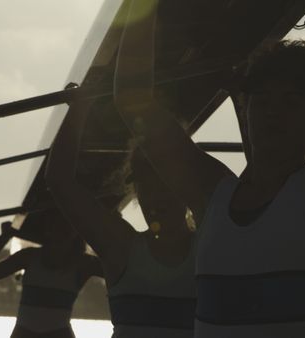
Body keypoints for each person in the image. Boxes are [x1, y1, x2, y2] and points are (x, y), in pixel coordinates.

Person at [113, 0, 305, 337]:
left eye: (290, 102)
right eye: (262, 101)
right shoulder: (213, 195)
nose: (272, 113)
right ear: (246, 115)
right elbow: (131, 98)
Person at [44, 99, 197, 338]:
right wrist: (79, 107)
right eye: (145, 184)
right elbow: (59, 181)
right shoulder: (122, 247)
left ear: (186, 182)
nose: (155, 194)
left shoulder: (215, 244)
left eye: (163, 180)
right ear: (136, 192)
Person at [0, 221, 103, 338]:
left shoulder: (85, 263)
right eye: (55, 224)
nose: (60, 229)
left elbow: (121, 268)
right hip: (25, 334)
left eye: (65, 226)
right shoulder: (29, 256)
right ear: (47, 229)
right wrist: (3, 238)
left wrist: (108, 230)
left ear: (76, 231)